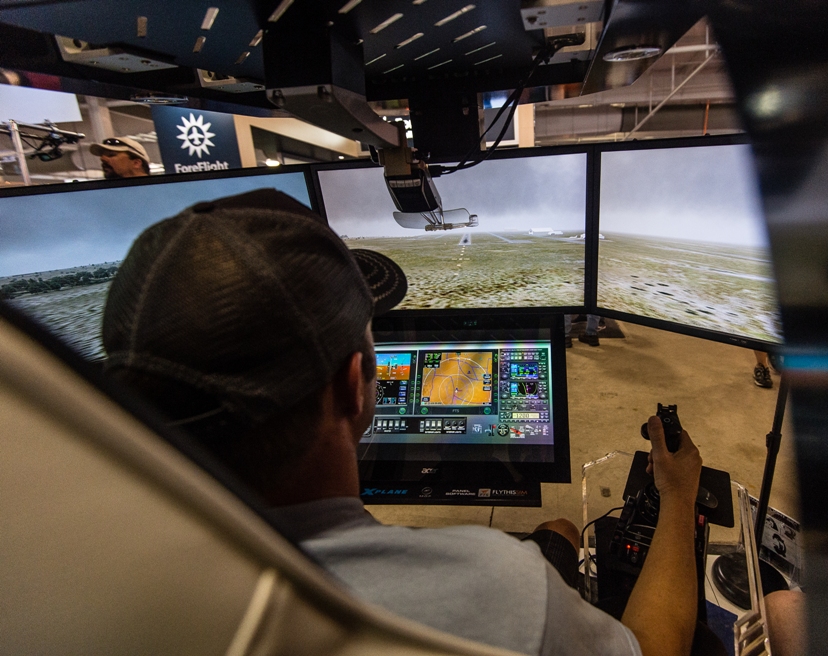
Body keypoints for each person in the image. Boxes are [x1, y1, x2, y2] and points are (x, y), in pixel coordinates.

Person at [100, 189, 705, 656]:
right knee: (562, 530)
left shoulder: (104, 593)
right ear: (352, 382)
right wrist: (678, 496)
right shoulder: (498, 586)